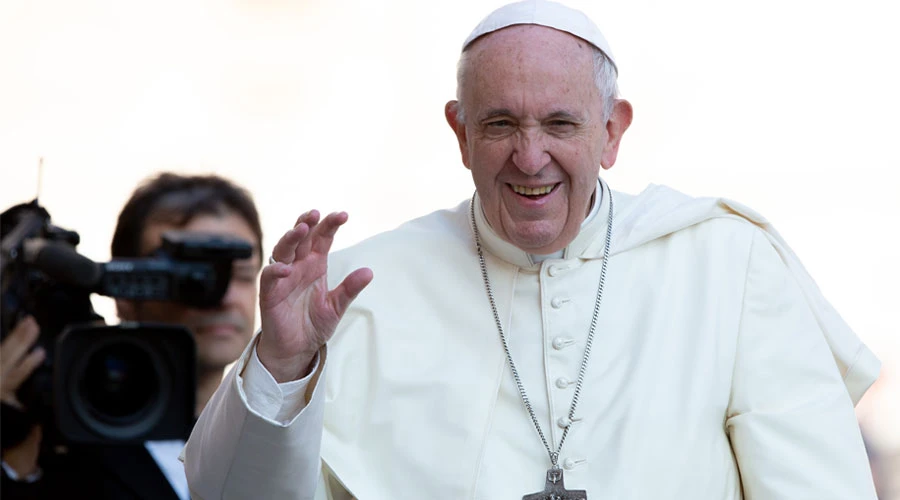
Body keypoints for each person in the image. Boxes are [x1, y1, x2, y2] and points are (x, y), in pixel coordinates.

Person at [182, 1, 881, 498]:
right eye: (500, 123)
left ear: (612, 132)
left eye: (559, 123)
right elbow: (226, 494)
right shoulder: (363, 287)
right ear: (459, 133)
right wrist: (283, 365)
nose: (530, 155)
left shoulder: (729, 265)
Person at [0, 172, 263, 500]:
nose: (221, 297)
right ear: (124, 291)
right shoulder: (54, 435)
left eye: (240, 275)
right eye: (193, 278)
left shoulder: (282, 439)